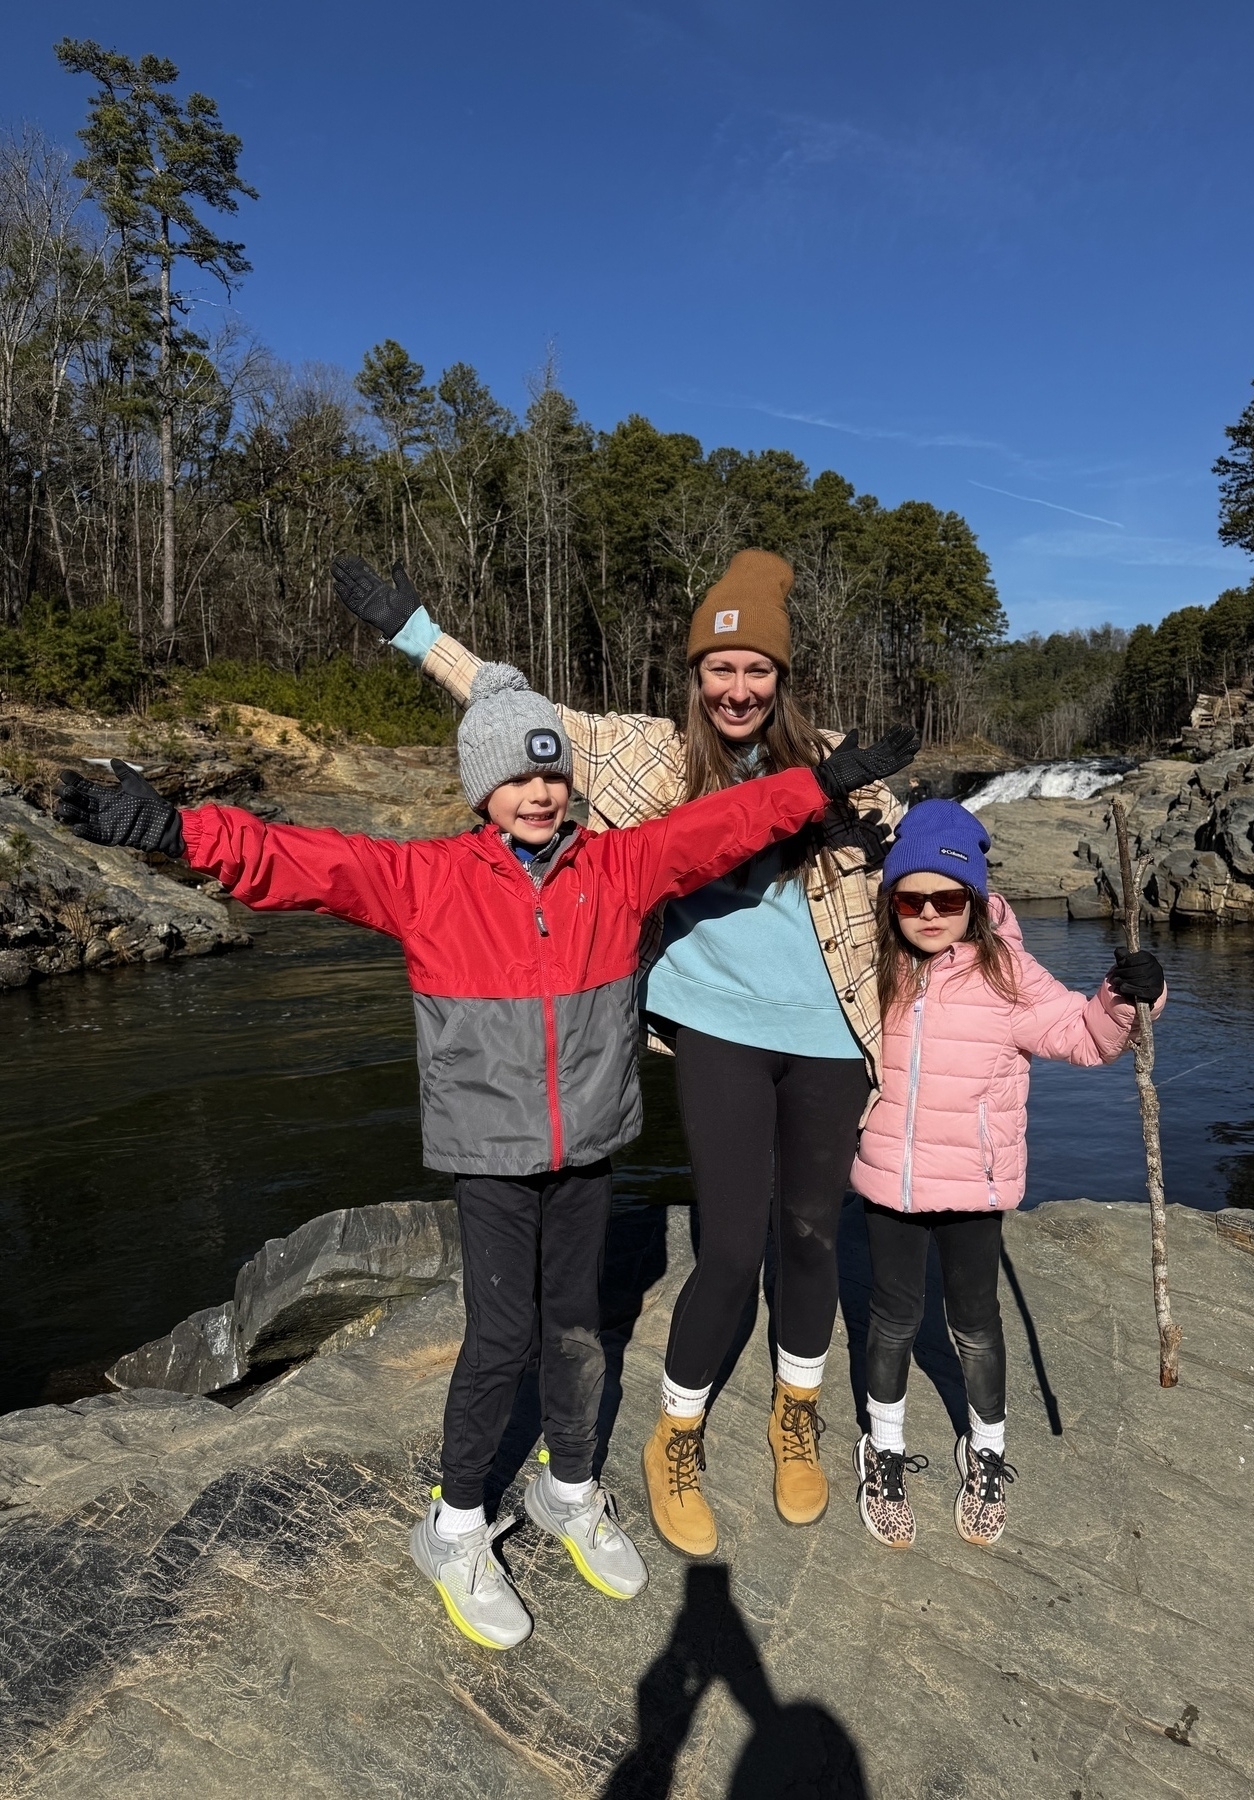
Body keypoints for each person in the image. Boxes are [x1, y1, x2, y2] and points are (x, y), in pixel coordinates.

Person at [55, 662, 916, 1646]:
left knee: (582, 1331)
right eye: (516, 777)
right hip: (493, 1160)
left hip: (587, 1150)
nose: (540, 792)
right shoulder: (427, 881)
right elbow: (307, 862)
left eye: (551, 774)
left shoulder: (618, 866)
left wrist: (819, 782)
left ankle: (569, 1490)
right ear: (481, 790)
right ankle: (455, 1525)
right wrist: (178, 833)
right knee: (501, 1342)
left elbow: (717, 828)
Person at [334, 550, 918, 1558]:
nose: (736, 689)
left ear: (783, 676)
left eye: (756, 670)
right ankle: (675, 1436)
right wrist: (412, 630)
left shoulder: (839, 766)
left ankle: (796, 1418)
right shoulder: (645, 756)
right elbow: (509, 704)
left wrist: (994, 924)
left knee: (816, 1235)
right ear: (694, 676)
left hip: (829, 1030)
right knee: (734, 1245)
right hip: (715, 1023)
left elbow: (933, 888)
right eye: (718, 669)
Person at [849, 798, 1165, 1550]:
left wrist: (1126, 997)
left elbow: (1083, 1037)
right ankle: (883, 1449)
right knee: (891, 1318)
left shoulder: (1010, 973)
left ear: (978, 902)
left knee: (976, 1324)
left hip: (974, 1185)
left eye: (948, 898)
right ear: (891, 901)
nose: (929, 912)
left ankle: (985, 1448)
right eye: (910, 898)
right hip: (888, 1178)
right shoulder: (870, 966)